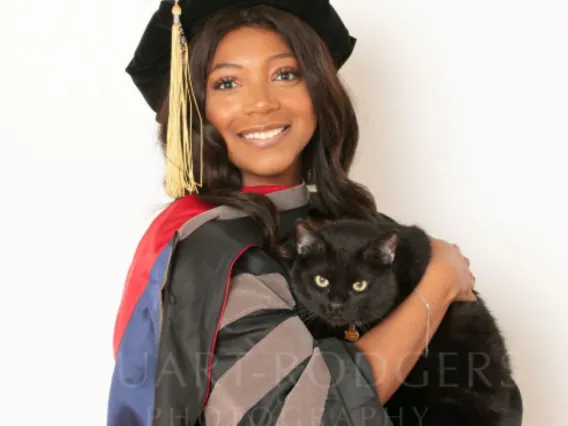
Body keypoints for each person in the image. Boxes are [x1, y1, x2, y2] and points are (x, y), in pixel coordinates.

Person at [106, 1, 521, 425]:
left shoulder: (361, 228)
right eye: (227, 83)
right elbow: (311, 416)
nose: (261, 103)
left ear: (318, 91)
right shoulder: (214, 252)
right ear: (197, 108)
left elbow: (489, 396)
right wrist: (439, 284)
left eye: (285, 74)